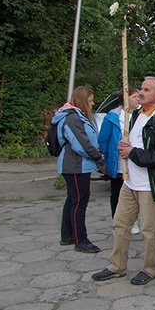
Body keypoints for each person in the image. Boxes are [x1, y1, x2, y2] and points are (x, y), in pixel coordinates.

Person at [92, 77, 155, 286]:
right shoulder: (137, 115)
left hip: (149, 185)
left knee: (149, 231)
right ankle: (117, 266)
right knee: (120, 224)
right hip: (130, 182)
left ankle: (149, 269)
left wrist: (132, 152)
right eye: (141, 88)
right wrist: (126, 147)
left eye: (146, 90)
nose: (140, 92)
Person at [54, 86, 105, 253]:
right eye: (90, 101)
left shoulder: (76, 116)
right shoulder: (73, 118)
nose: (92, 104)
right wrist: (97, 156)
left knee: (72, 200)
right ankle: (81, 240)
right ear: (83, 101)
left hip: (75, 164)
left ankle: (67, 235)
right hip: (76, 166)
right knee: (79, 202)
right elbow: (81, 143)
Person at [97, 87, 138, 218]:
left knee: (134, 194)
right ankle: (118, 219)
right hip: (118, 163)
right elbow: (103, 141)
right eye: (134, 97)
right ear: (125, 99)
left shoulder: (140, 115)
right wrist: (104, 162)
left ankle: (133, 219)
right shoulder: (113, 117)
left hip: (136, 162)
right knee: (117, 193)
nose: (138, 99)